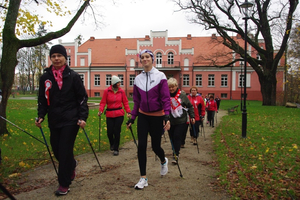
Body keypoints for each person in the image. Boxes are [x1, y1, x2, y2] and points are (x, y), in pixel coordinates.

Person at [35, 44, 89, 196]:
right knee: (57, 150)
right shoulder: (45, 78)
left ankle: (63, 183)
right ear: (50, 58)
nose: (56, 58)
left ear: (65, 58)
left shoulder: (73, 76)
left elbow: (82, 98)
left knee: (65, 150)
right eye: (53, 56)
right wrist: (41, 115)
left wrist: (82, 117)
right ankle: (71, 165)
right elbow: (42, 99)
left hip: (71, 120)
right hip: (54, 119)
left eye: (59, 56)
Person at [126, 49, 170, 190]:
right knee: (142, 146)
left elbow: (165, 98)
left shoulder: (160, 76)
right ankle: (143, 177)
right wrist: (132, 118)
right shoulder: (138, 78)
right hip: (143, 116)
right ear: (140, 60)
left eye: (147, 57)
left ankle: (163, 161)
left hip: (157, 117)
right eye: (142, 57)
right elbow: (136, 101)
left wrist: (167, 115)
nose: (145, 59)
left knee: (155, 147)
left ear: (152, 59)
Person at [98, 75, 131, 156]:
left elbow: (125, 102)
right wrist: (100, 110)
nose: (120, 84)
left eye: (120, 82)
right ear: (114, 83)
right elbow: (103, 102)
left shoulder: (121, 92)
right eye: (118, 82)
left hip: (119, 114)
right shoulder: (107, 91)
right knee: (109, 132)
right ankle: (112, 144)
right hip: (109, 114)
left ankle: (116, 148)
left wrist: (128, 112)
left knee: (117, 131)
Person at [168, 78, 195, 164]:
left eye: (173, 87)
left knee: (177, 136)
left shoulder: (182, 95)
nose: (171, 89)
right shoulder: (165, 95)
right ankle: (175, 150)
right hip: (170, 120)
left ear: (176, 86)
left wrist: (192, 116)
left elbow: (190, 106)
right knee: (172, 137)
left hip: (181, 120)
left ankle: (176, 154)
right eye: (169, 87)